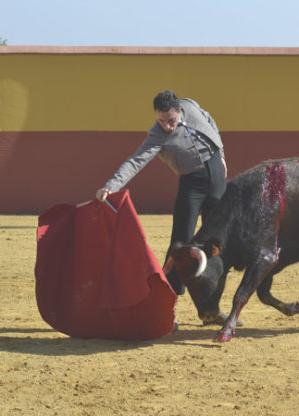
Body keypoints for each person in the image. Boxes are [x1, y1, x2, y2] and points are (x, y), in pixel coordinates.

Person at [96, 90, 227, 297]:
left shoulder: (191, 106)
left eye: (171, 120)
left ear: (179, 110)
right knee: (181, 242)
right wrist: (111, 186)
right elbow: (136, 161)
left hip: (217, 177)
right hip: (191, 183)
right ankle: (170, 300)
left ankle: (211, 304)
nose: (167, 126)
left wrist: (221, 153)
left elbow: (209, 119)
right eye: (161, 121)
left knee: (216, 241)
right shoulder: (157, 135)